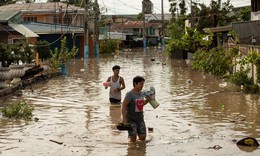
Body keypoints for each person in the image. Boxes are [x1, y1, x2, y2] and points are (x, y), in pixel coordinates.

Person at [121, 76, 152, 142]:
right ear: (135, 84)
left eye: (143, 84)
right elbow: (124, 106)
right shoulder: (130, 94)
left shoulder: (141, 93)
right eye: (141, 84)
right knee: (133, 139)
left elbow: (141, 104)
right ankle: (132, 151)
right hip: (131, 119)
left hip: (140, 118)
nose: (142, 86)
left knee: (143, 137)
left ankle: (139, 151)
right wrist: (124, 119)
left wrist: (148, 100)